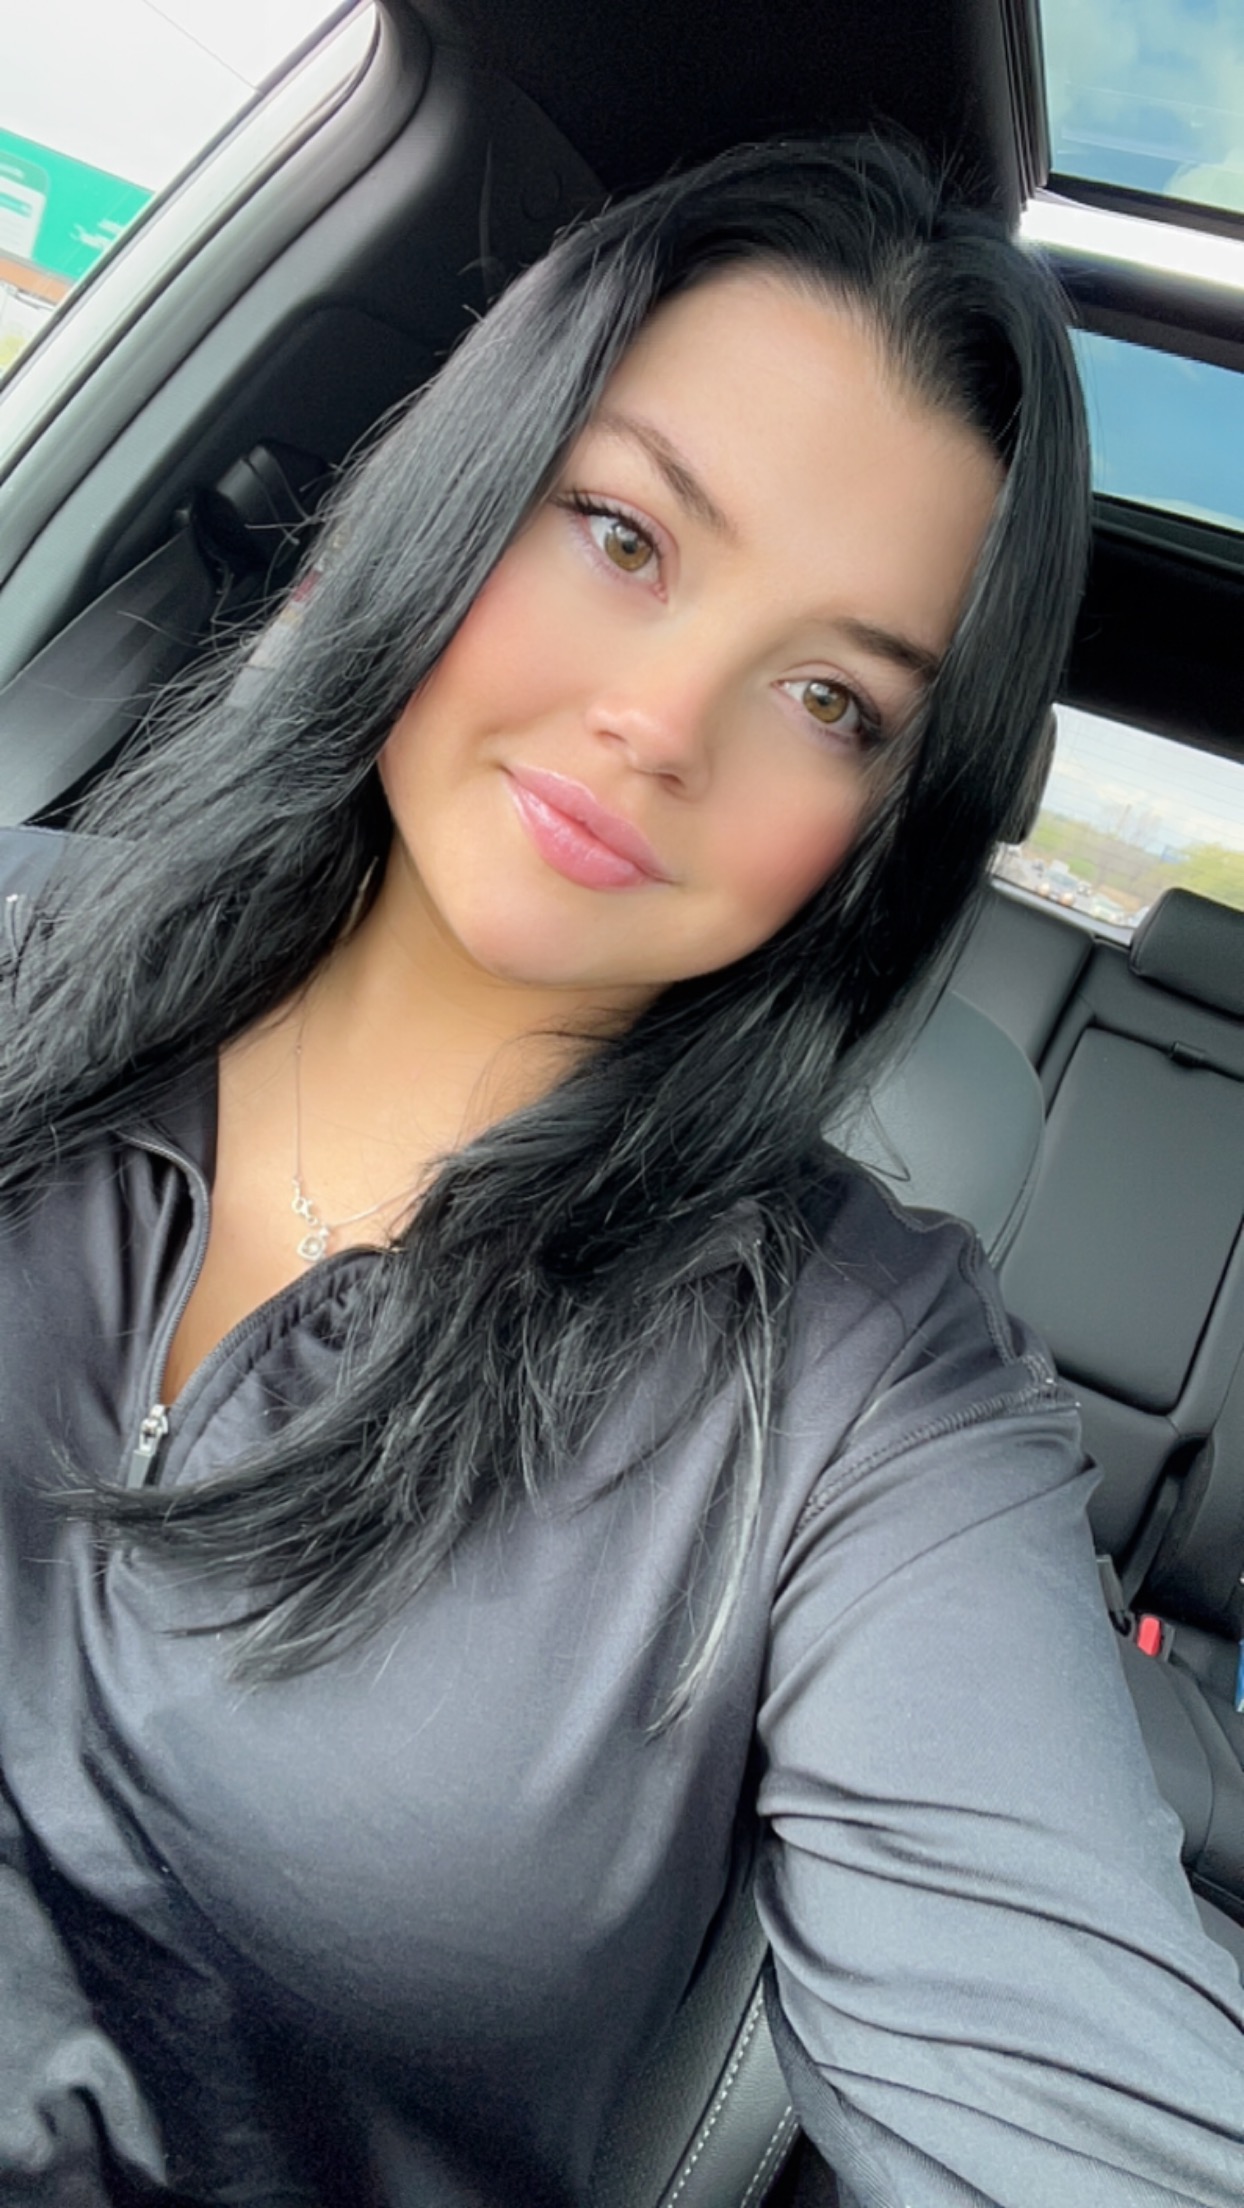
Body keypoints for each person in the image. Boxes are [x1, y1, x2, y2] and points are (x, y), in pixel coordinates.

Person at [0, 136, 1241, 2208]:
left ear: (881, 833)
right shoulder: (29, 955)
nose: (664, 720)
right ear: (455, 484)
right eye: (622, 532)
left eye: (830, 697)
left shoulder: (862, 1399)